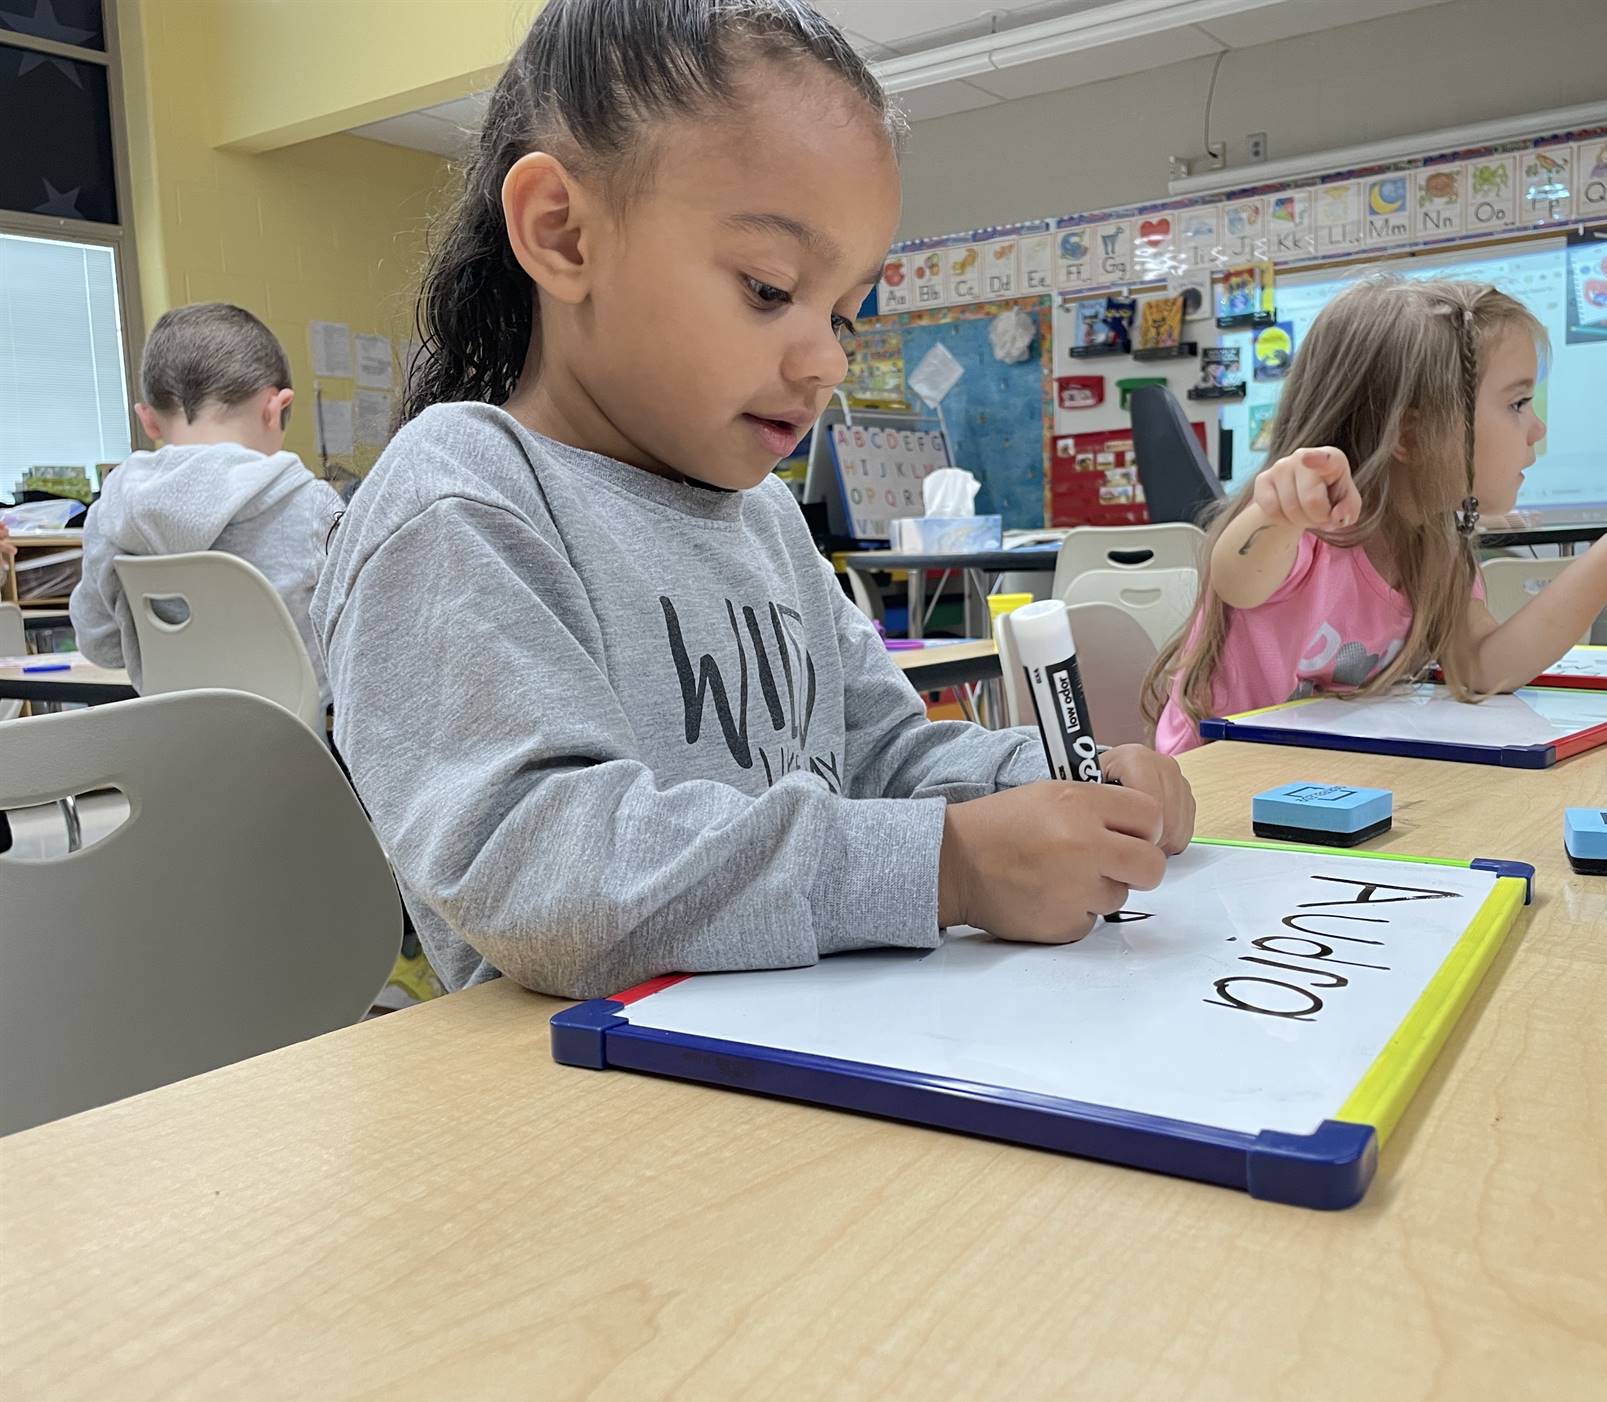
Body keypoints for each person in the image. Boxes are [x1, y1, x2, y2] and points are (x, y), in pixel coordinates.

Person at [314, 0, 1194, 999]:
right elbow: (543, 871)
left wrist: (1055, 784)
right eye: (770, 289)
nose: (825, 360)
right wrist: (948, 864)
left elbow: (888, 755)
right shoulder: (462, 495)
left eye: (845, 314)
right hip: (592, 1103)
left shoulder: (767, 520)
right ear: (562, 234)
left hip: (807, 1061)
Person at [1148, 275, 1607, 754]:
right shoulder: (1310, 530)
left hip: (1319, 782)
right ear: (1411, 433)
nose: (1538, 428)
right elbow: (1239, 577)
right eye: (1518, 403)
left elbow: (1483, 667)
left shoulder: (1436, 548)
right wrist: (1278, 513)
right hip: (1215, 791)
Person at [70, 302, 342, 696]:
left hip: (175, 746)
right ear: (276, 408)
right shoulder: (312, 504)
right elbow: (361, 637)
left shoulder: (111, 513)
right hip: (297, 748)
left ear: (148, 419)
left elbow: (101, 646)